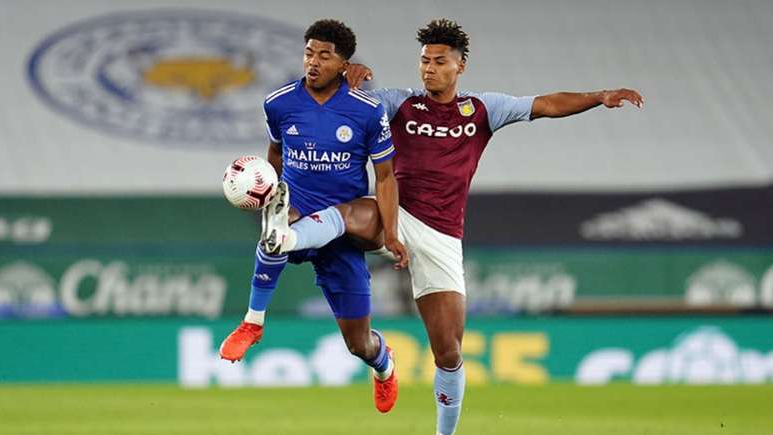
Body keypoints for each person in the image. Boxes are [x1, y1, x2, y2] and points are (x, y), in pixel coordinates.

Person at [263, 19, 644, 435]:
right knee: (353, 212)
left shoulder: (482, 110)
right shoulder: (399, 104)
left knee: (448, 352)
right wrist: (346, 79)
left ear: (459, 66)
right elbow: (344, 107)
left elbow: (545, 104)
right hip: (397, 213)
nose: (428, 69)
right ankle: (286, 235)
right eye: (424, 61)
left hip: (442, 237)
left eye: (439, 61)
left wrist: (600, 96)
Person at [218, 19, 408, 413]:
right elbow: (274, 156)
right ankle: (253, 321)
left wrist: (391, 233)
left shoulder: (367, 111)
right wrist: (268, 193)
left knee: (359, 344)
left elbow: (386, 177)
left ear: (343, 63)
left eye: (325, 55)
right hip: (299, 207)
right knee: (278, 225)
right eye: (309, 53)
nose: (314, 62)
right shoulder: (279, 103)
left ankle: (383, 364)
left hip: (347, 229)